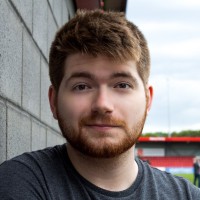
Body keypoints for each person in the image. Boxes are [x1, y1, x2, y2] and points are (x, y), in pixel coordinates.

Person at [0, 10, 200, 199]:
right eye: (81, 86)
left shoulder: (188, 196)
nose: (103, 104)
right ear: (53, 101)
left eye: (122, 85)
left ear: (148, 100)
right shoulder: (19, 183)